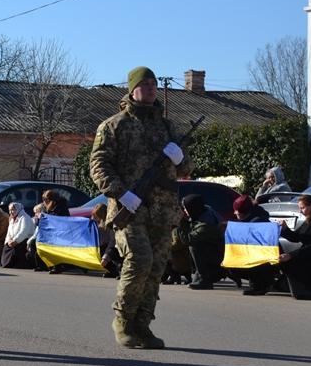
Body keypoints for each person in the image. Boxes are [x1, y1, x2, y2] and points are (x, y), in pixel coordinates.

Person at [89, 66, 193, 349]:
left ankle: (142, 325)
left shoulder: (167, 127)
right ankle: (123, 322)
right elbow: (98, 166)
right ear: (132, 89)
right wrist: (121, 194)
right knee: (139, 260)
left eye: (153, 84)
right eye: (144, 84)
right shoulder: (114, 125)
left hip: (162, 210)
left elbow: (187, 168)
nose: (150, 88)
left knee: (157, 266)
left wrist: (179, 158)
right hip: (130, 209)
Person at [177, 194, 224, 289]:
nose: (185, 211)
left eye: (186, 208)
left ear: (193, 208)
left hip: (218, 257)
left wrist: (180, 221)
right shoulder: (202, 212)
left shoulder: (206, 223)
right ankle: (199, 276)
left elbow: (187, 240)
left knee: (194, 245)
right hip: (214, 251)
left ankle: (204, 280)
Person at [90, 203, 121, 278]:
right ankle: (112, 271)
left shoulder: (110, 225)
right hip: (104, 245)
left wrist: (106, 257)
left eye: (96, 217)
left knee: (109, 253)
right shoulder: (96, 222)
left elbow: (112, 242)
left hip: (113, 248)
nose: (94, 218)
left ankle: (118, 270)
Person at [0, 202, 35, 268]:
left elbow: (24, 232)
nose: (11, 212)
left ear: (18, 209)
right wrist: (8, 241)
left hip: (24, 240)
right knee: (6, 248)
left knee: (16, 249)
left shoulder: (25, 218)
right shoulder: (12, 220)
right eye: (10, 210)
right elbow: (9, 232)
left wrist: (15, 241)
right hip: (13, 241)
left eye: (13, 209)